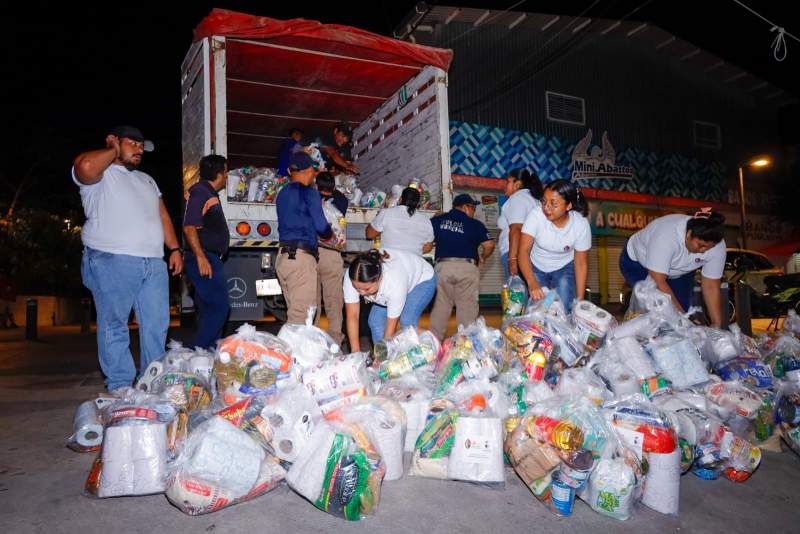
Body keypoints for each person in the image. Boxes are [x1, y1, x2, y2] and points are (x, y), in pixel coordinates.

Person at [72, 125, 183, 391]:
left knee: (157, 325)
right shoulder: (102, 174)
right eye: (132, 143)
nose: (139, 149)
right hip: (112, 259)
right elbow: (84, 165)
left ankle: (152, 379)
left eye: (141, 146)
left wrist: (175, 248)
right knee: (115, 324)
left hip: (153, 263)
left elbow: (163, 215)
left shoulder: (147, 180)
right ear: (113, 141)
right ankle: (121, 384)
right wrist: (112, 150)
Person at [620, 209, 727, 327]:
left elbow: (711, 286)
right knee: (654, 312)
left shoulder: (718, 247)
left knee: (682, 313)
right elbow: (658, 282)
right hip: (638, 264)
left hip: (678, 271)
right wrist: (684, 319)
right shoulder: (666, 236)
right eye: (700, 245)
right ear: (689, 233)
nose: (703, 251)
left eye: (708, 247)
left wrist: (716, 324)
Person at [275, 152, 333, 324]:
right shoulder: (310, 193)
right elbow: (322, 227)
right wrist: (330, 234)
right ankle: (288, 350)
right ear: (309, 170)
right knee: (301, 317)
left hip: (283, 259)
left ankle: (299, 350)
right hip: (301, 259)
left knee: (295, 313)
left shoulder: (282, 194)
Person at [428, 194, 495, 340]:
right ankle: (465, 344)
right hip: (467, 267)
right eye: (473, 208)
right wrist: (483, 257)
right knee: (467, 307)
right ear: (465, 207)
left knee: (441, 306)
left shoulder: (439, 220)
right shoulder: (475, 224)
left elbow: (426, 241)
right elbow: (489, 244)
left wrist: (435, 219)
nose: (474, 212)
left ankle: (433, 343)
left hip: (443, 267)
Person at [518, 179, 591, 310]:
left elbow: (580, 263)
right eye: (544, 201)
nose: (546, 207)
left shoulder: (580, 225)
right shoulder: (535, 216)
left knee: (566, 306)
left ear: (568, 206)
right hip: (536, 266)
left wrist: (580, 300)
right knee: (537, 310)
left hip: (564, 267)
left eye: (554, 203)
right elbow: (523, 251)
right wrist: (532, 282)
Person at [344, 249, 437, 351]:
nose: (361, 293)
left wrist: (383, 353)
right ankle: (383, 360)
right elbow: (352, 316)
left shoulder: (394, 283)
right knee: (375, 321)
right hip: (403, 277)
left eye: (366, 289)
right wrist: (355, 352)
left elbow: (390, 329)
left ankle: (422, 352)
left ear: (379, 278)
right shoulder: (354, 275)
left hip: (422, 279)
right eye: (356, 288)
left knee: (407, 322)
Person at [183, 154, 231, 349]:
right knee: (220, 307)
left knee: (208, 310)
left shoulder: (208, 192)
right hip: (204, 257)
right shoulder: (201, 192)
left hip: (208, 257)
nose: (227, 176)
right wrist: (201, 257)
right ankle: (197, 351)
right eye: (226, 171)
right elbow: (189, 226)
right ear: (219, 174)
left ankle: (207, 358)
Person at [315, 171, 348, 344]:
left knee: (312, 301)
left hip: (312, 252)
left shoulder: (311, 197)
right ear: (334, 187)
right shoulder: (341, 201)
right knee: (334, 300)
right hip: (332, 253)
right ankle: (335, 340)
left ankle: (312, 339)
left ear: (317, 185)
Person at [497, 169, 543, 279]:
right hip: (531, 254)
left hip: (516, 253)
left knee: (517, 294)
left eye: (508, 182)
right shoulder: (535, 200)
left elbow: (516, 229)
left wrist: (512, 259)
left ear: (517, 184)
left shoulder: (518, 198)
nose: (505, 185)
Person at [366, 187, 434, 255]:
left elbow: (369, 235)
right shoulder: (426, 221)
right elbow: (428, 248)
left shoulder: (386, 213)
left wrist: (376, 218)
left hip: (390, 262)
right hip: (412, 263)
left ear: (400, 199)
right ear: (418, 203)